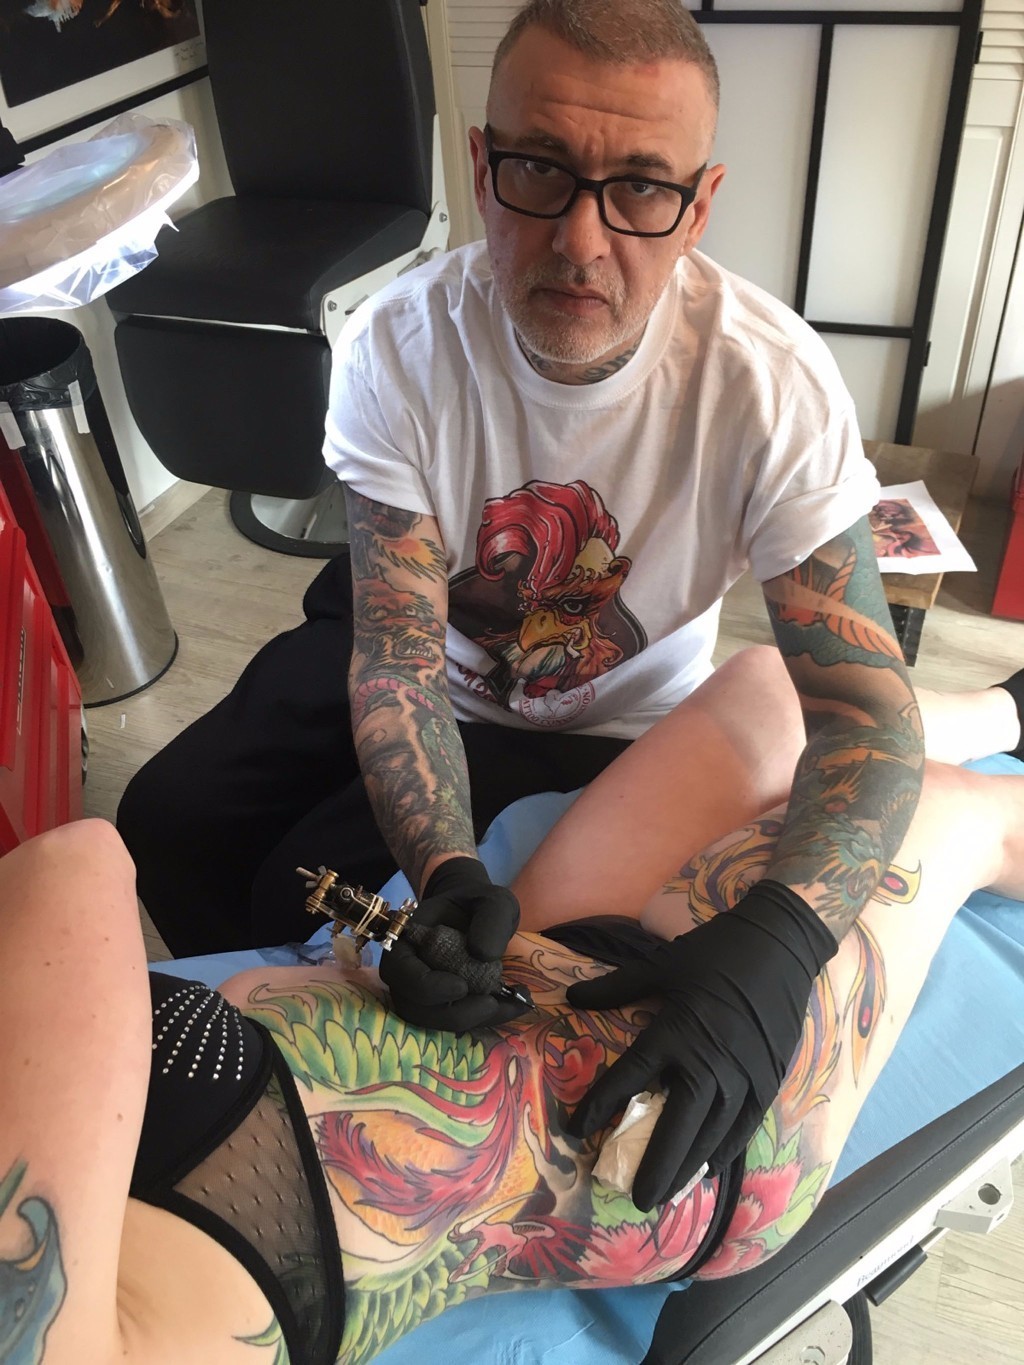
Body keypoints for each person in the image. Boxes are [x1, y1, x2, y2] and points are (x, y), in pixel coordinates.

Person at [113, 0, 1024, 1199]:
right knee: (165, 816)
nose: (581, 242)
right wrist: (445, 864)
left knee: (308, 895)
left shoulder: (770, 387)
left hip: (602, 712)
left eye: (640, 186)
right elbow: (396, 656)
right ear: (482, 166)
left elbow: (864, 710)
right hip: (415, 643)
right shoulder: (397, 343)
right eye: (541, 170)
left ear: (698, 204)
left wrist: (784, 939)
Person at [4, 725, 1024, 1365]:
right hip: (692, 1110)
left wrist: (448, 879)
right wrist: (787, 934)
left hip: (522, 972)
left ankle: (998, 708)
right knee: (949, 807)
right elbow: (74, 866)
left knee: (762, 697)